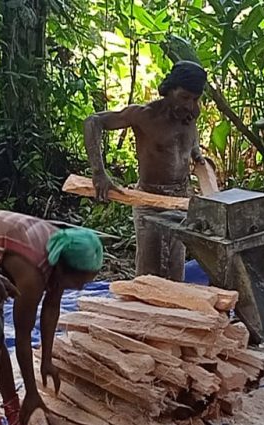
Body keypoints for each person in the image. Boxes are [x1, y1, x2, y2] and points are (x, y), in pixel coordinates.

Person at [0, 210, 102, 425]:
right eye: (78, 282)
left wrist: (47, 361)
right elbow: (23, 336)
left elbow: (52, 306)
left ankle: (12, 407)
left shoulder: (61, 250)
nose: (79, 289)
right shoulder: (32, 275)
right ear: (64, 269)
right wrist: (32, 391)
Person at [83, 60, 208, 281]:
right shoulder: (145, 115)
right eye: (184, 97)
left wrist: (197, 154)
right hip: (149, 202)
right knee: (149, 278)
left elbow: (189, 136)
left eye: (195, 98)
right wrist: (98, 173)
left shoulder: (190, 113)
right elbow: (93, 122)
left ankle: (172, 314)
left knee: (174, 271)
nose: (190, 105)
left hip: (181, 200)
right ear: (169, 90)